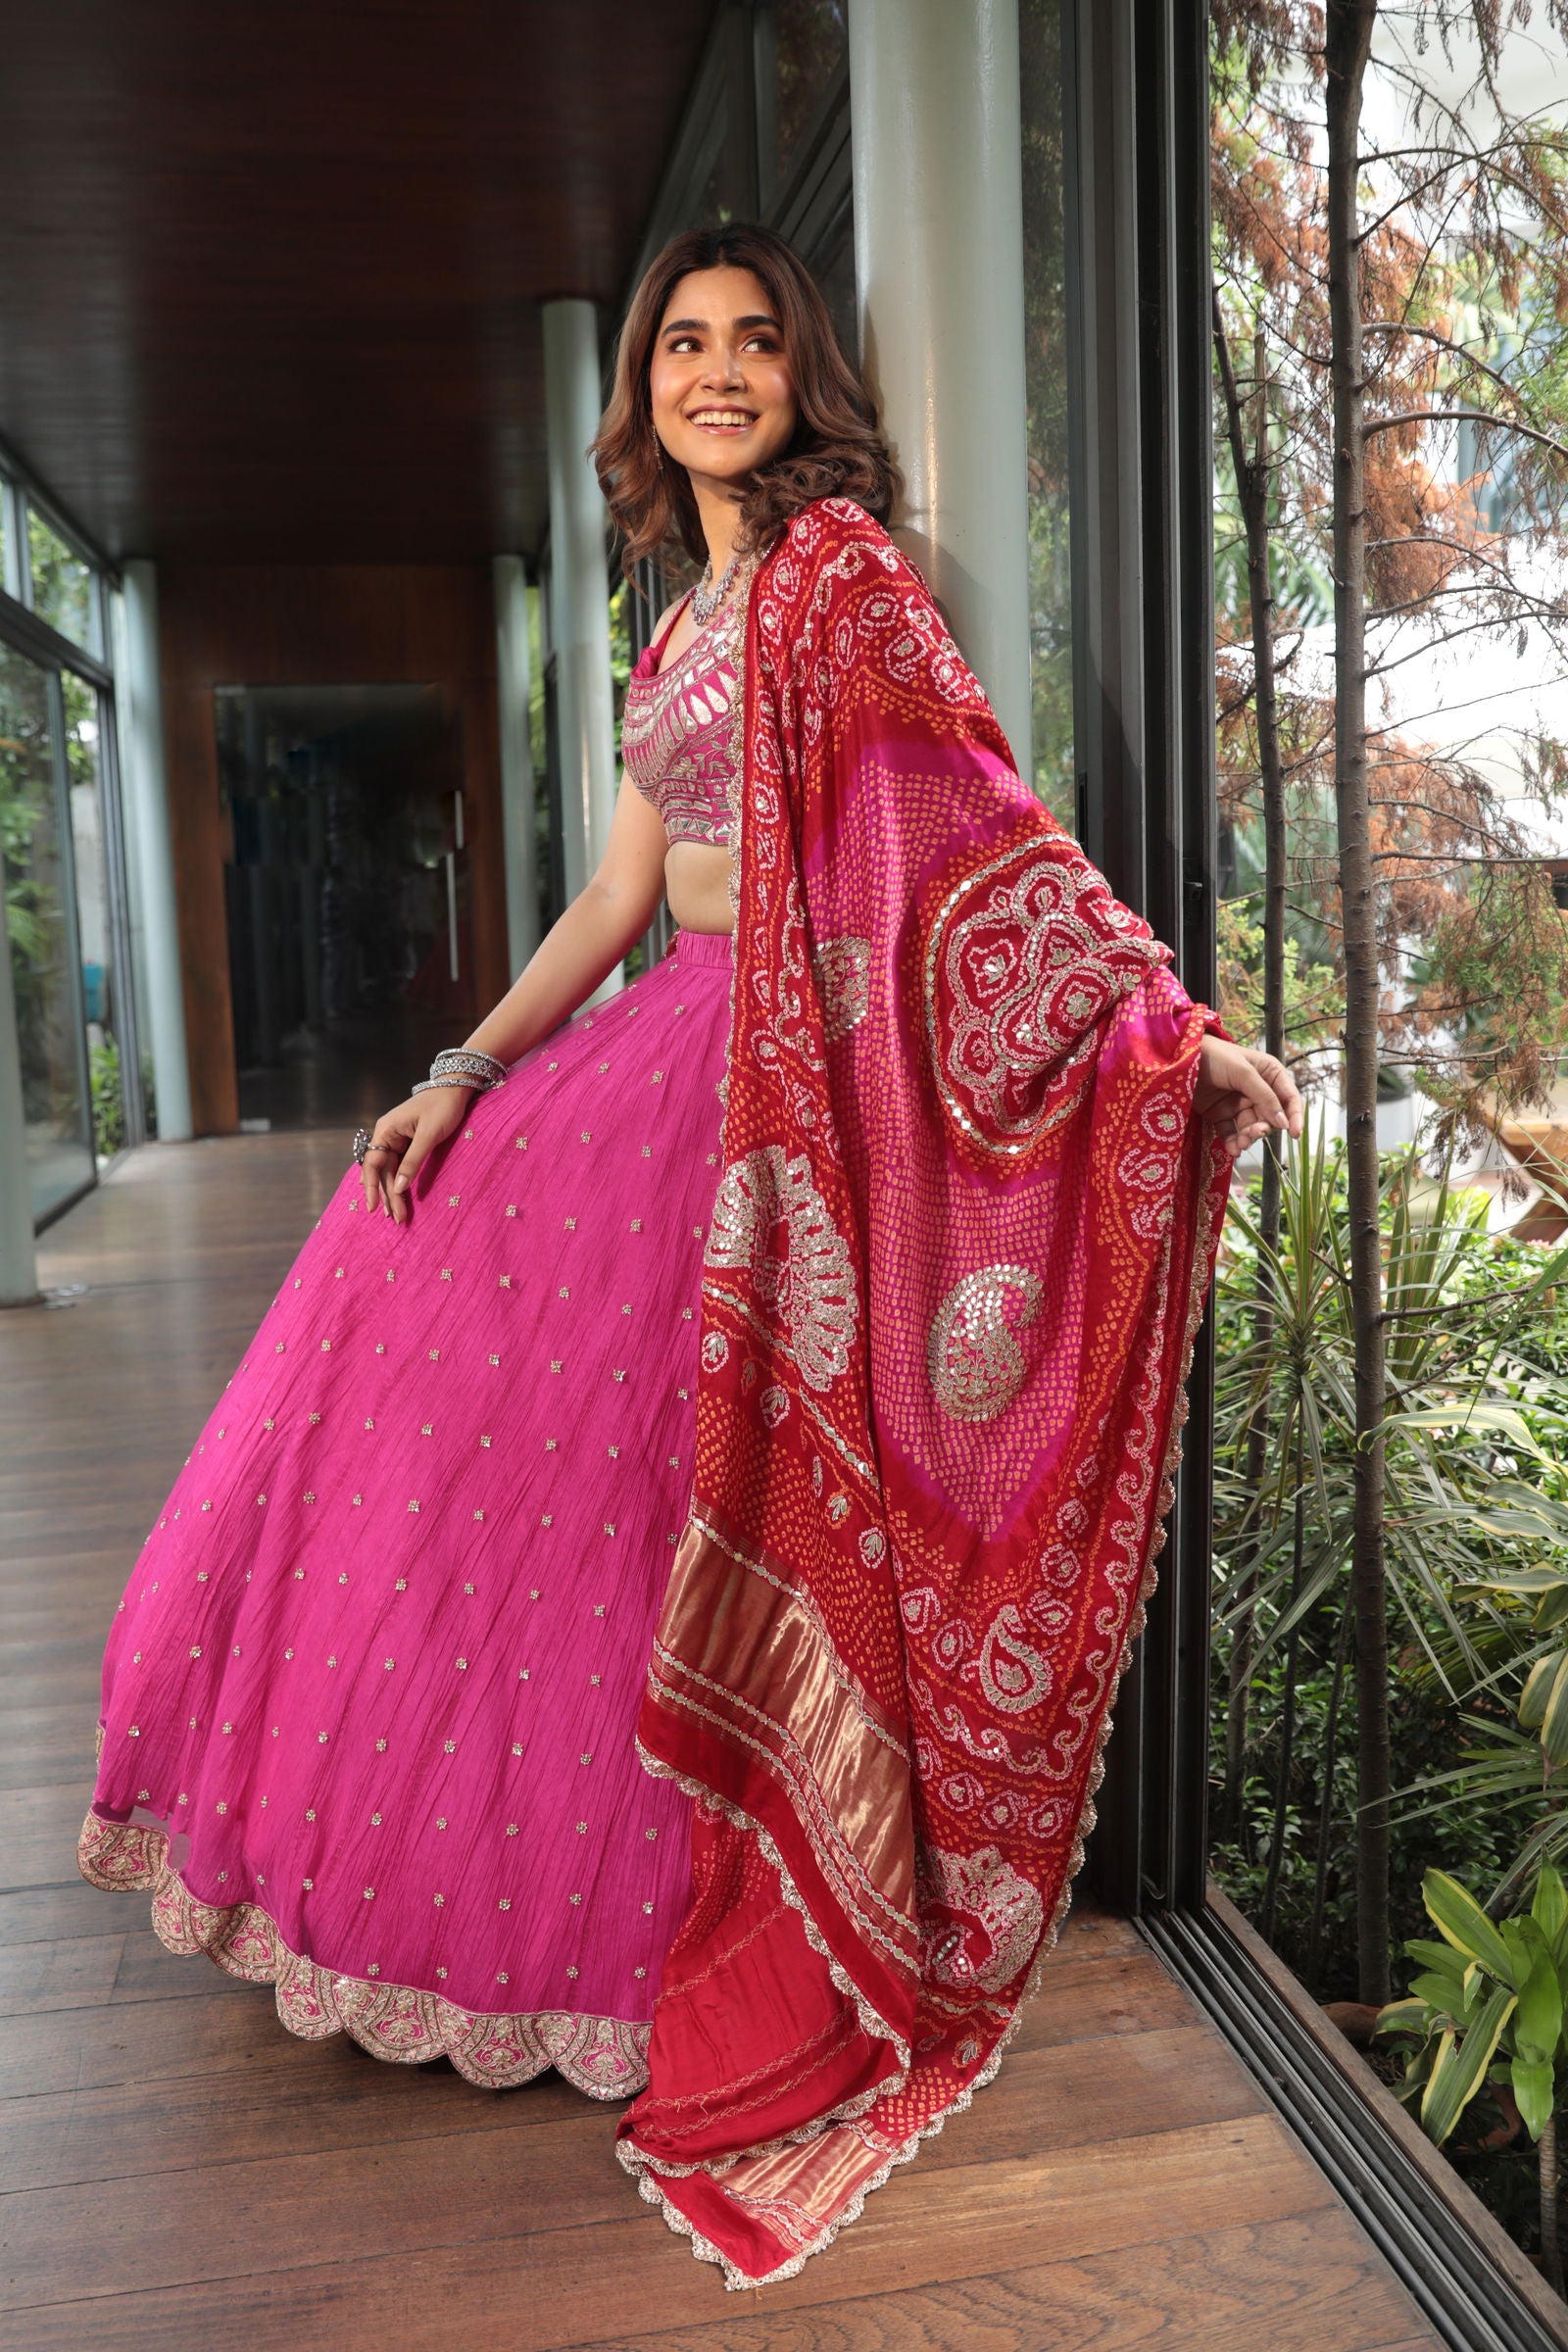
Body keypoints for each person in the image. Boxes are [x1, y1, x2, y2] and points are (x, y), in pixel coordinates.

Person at [78, 221, 1300, 2279]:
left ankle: (697, 1924)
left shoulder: (848, 581)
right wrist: (459, 1067)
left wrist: (1156, 1044)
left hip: (774, 1103)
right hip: (650, 1065)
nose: (715, 373)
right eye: (681, 347)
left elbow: (977, 828)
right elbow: (616, 895)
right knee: (505, 1458)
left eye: (750, 344)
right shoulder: (675, 624)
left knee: (677, 1488)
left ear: (803, 378)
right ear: (637, 390)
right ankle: (477, 1901)